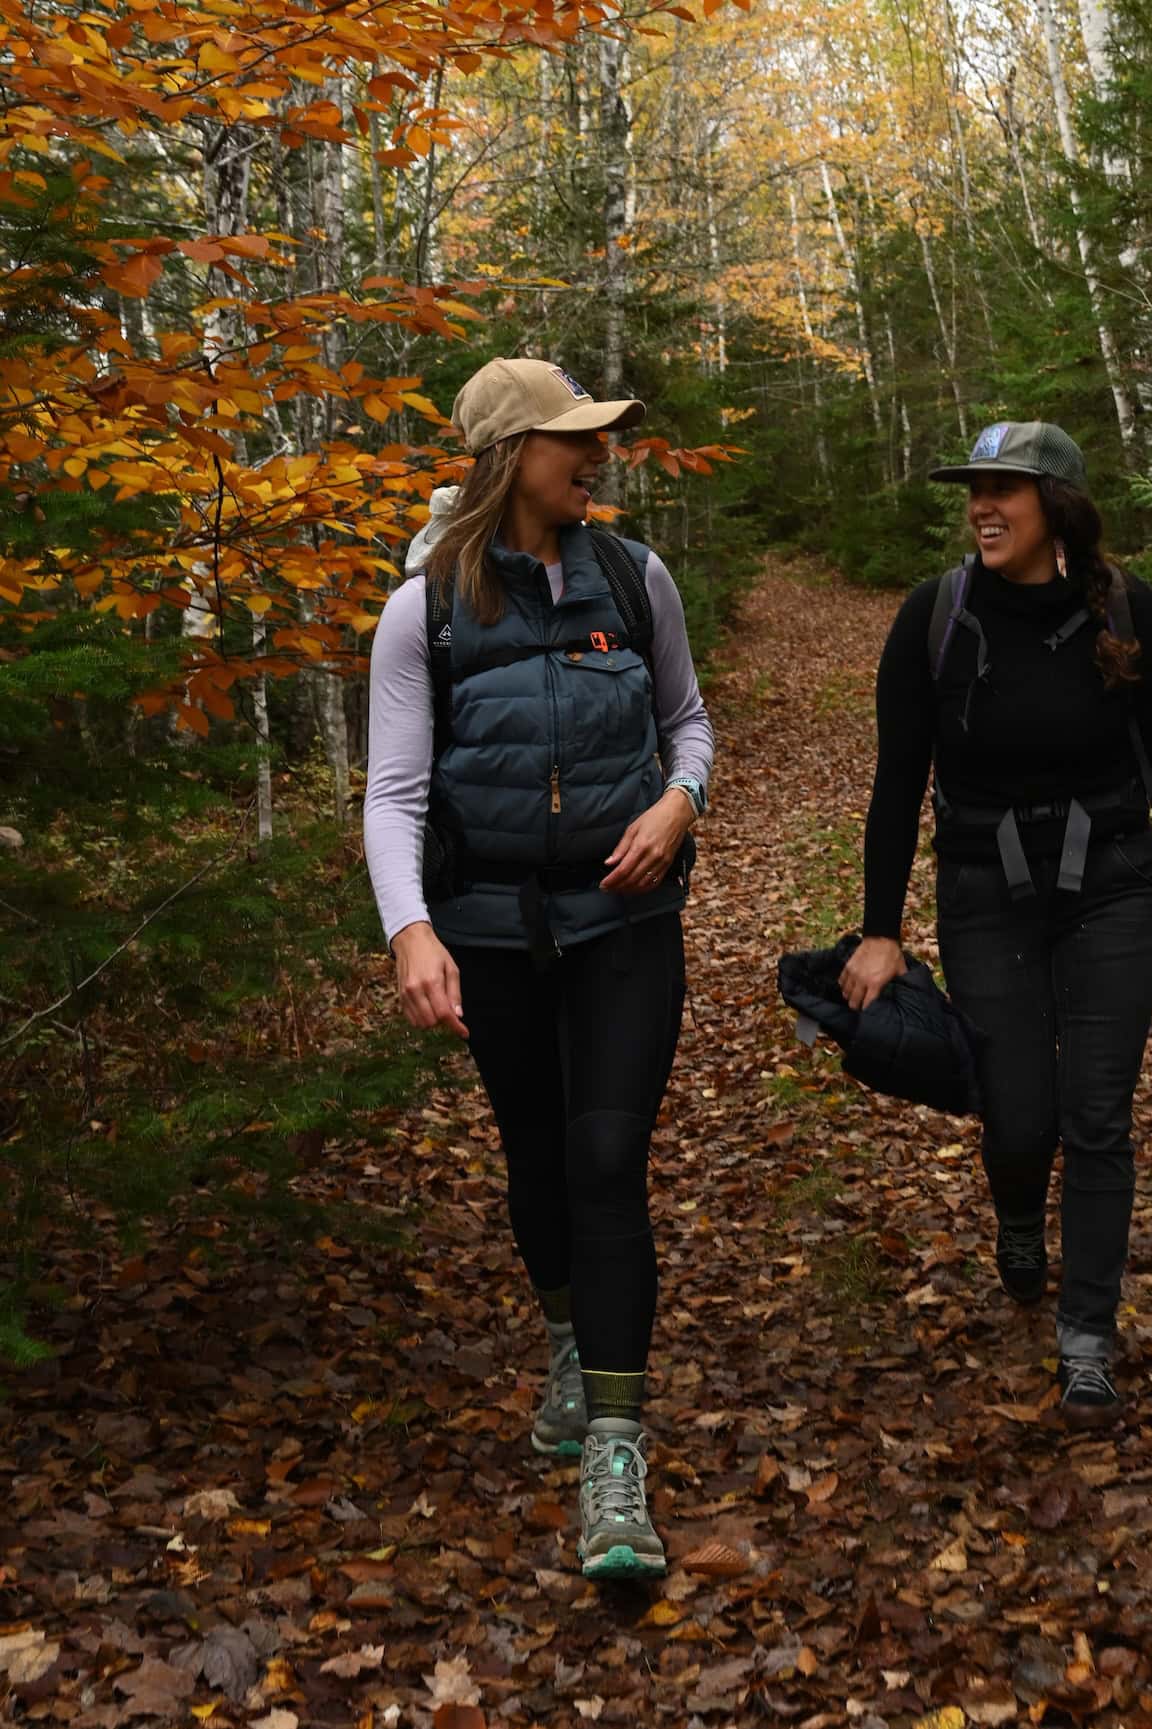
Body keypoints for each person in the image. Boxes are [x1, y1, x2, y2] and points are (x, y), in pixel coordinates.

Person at [362, 356, 714, 1582]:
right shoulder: (428, 610)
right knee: (540, 1159)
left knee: (608, 1156)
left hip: (624, 929)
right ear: (512, 456)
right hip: (494, 933)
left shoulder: (634, 574)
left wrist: (678, 804)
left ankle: (615, 1456)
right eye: (575, 441)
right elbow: (395, 792)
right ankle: (570, 1340)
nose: (597, 455)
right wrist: (410, 927)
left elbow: (690, 721)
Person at [841, 420, 1152, 1428]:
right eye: (973, 488)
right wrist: (878, 927)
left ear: (1053, 505)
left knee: (1096, 1115)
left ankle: (1086, 1339)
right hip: (984, 890)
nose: (982, 505)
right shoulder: (935, 616)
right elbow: (897, 783)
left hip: (1111, 885)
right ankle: (1018, 1213)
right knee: (1016, 1110)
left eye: (1003, 490)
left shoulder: (1123, 609)